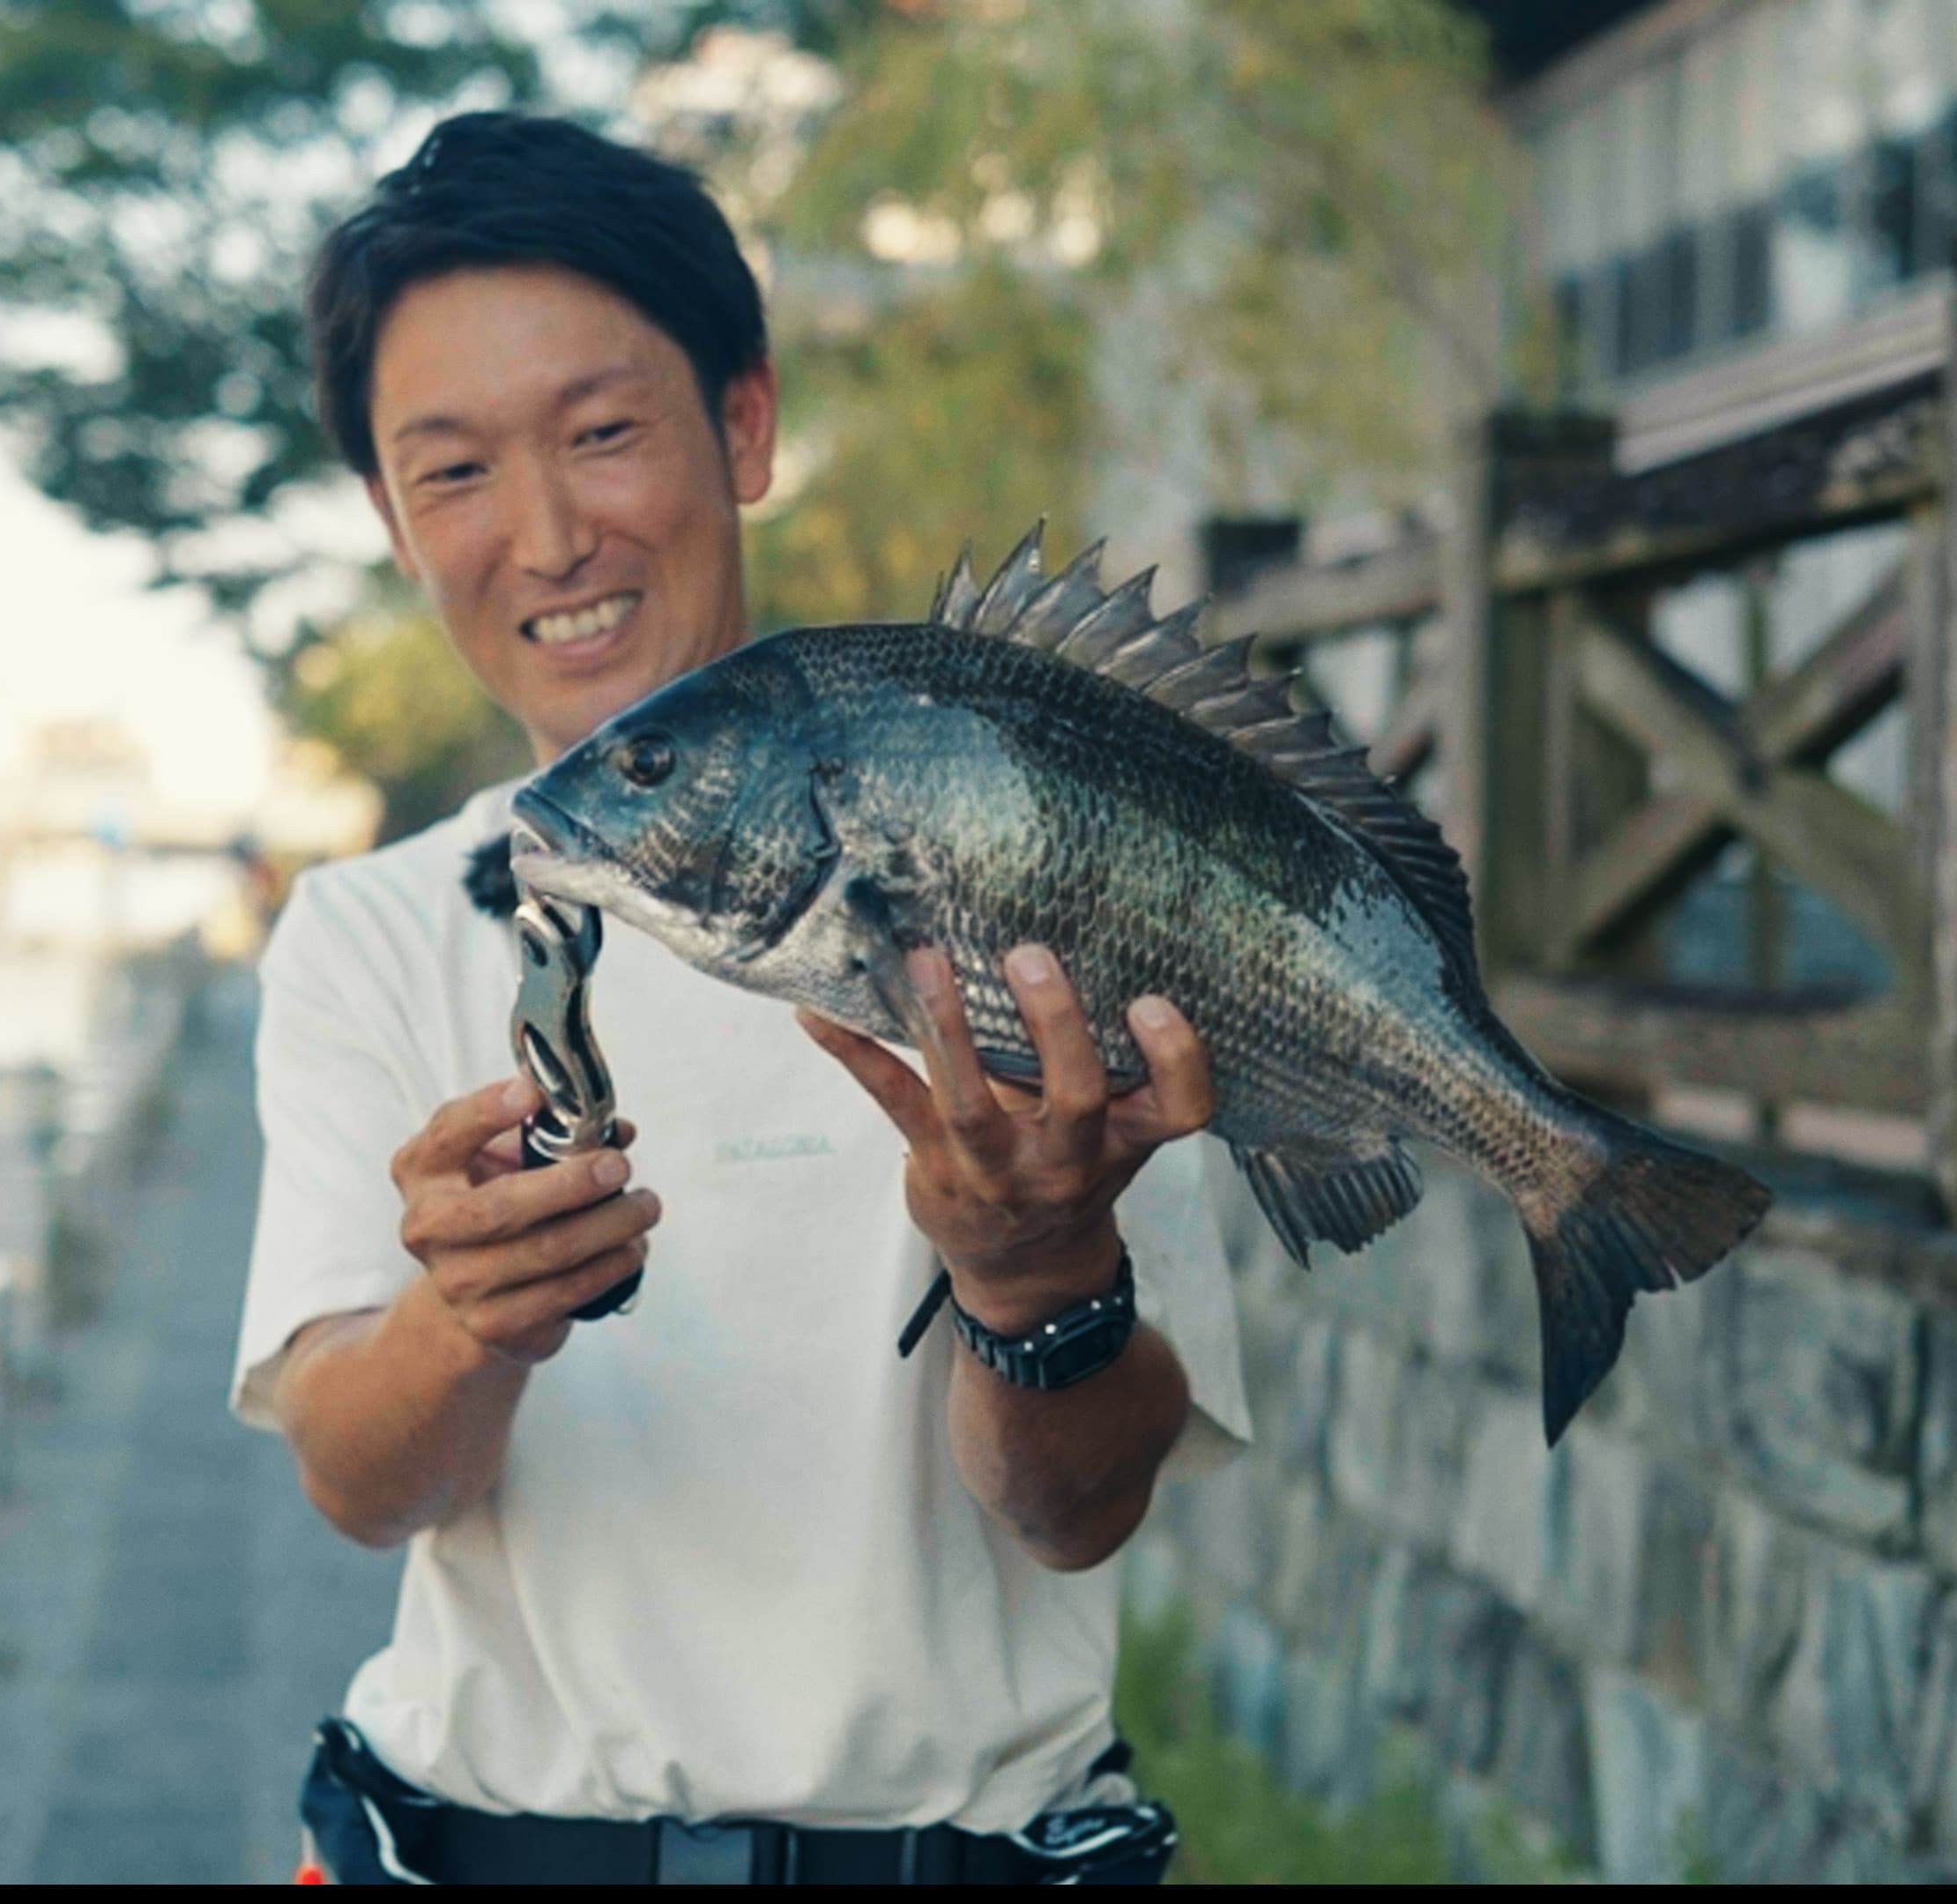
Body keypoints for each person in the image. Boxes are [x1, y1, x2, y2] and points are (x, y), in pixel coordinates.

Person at [230, 110, 1251, 1886]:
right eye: (454, 471)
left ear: (746, 425)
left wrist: (1035, 1283)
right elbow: (359, 1478)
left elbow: (1082, 1512)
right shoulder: (368, 932)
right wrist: (467, 1319)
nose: (547, 535)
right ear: (394, 518)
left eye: (604, 432)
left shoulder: (1047, 866)